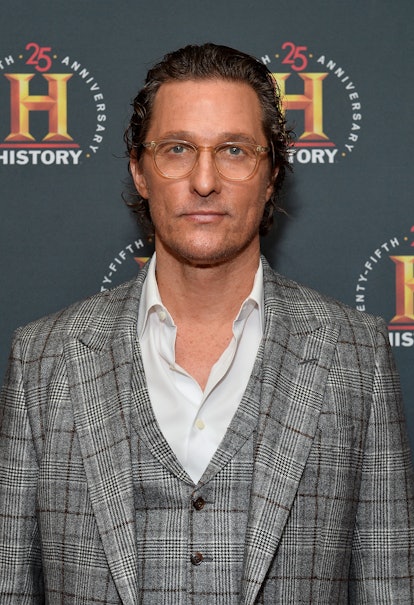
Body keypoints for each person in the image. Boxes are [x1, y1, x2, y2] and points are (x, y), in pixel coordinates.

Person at [1, 43, 413, 605]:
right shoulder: (43, 356)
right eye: (177, 149)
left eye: (235, 151)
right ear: (140, 172)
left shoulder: (353, 353)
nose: (203, 181)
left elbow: (388, 583)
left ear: (271, 176)